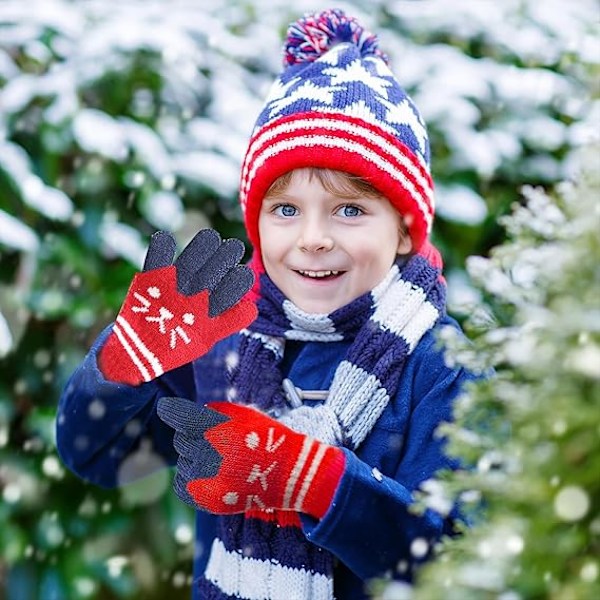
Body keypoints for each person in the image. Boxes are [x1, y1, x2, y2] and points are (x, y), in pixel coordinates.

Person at [57, 8, 479, 599]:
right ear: (256, 220)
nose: (312, 237)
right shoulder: (220, 339)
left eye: (349, 209)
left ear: (407, 230)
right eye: (286, 209)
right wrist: (121, 366)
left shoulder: (439, 365)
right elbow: (97, 457)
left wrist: (317, 483)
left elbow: (456, 558)